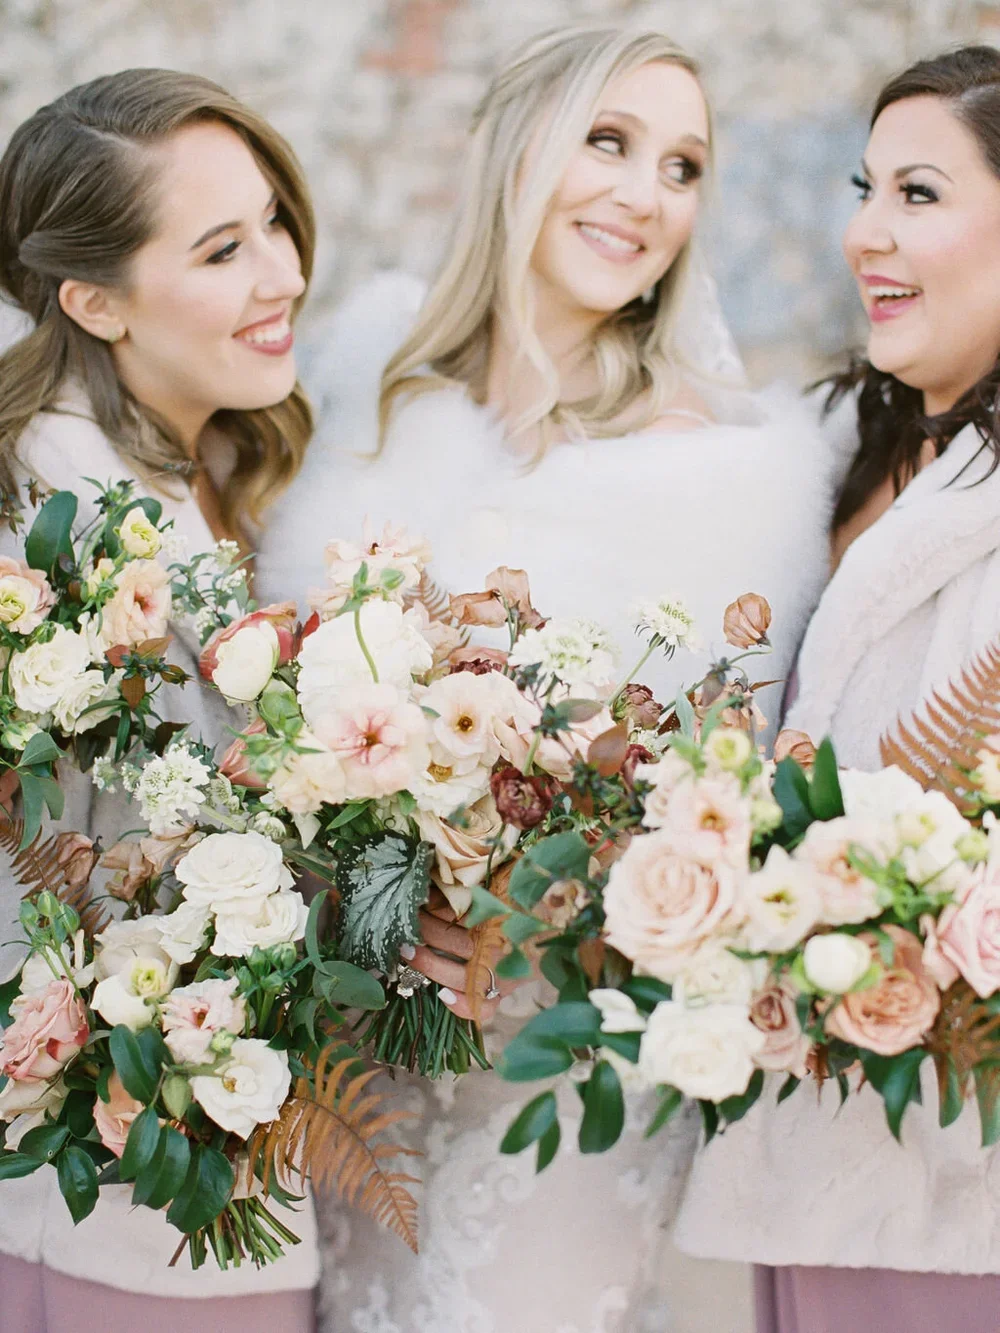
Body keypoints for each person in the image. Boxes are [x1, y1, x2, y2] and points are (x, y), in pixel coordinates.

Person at [257, 24, 841, 1331]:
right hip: (354, 1062)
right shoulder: (363, 394)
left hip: (559, 1068)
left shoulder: (718, 477)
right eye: (610, 141)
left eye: (683, 166)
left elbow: (711, 800)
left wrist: (527, 889)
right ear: (515, 146)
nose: (647, 194)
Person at [674, 45, 1000, 1333]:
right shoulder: (827, 455)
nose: (865, 230)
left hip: (953, 1175)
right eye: (866, 188)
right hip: (805, 1135)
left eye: (918, 194)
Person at [0, 68, 319, 1332]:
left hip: (232, 1159)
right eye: (222, 248)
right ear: (94, 299)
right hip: (112, 1196)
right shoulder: (42, 521)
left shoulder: (237, 459)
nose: (281, 272)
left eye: (275, 222)